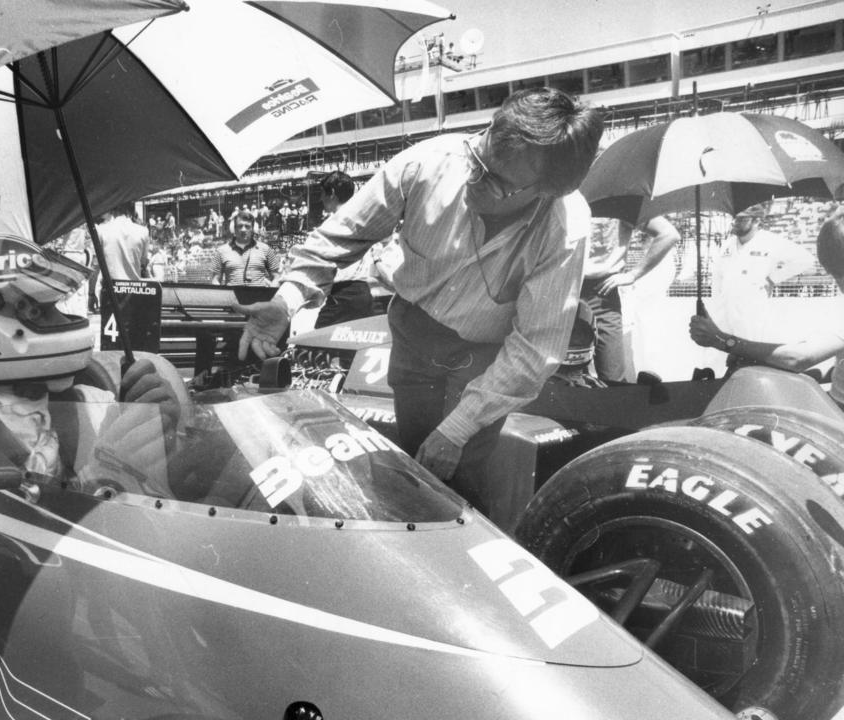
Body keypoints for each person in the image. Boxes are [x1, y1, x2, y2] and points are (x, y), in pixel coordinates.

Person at [236, 87, 604, 508]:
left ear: (545, 192)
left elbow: (535, 349)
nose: (473, 178)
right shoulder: (425, 163)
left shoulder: (564, 226)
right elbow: (340, 237)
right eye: (479, 159)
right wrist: (286, 300)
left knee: (457, 477)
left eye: (497, 181)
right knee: (414, 467)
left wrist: (457, 429)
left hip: (484, 358)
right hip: (412, 334)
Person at [0, 234, 181, 487]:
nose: (61, 321)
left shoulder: (93, 403)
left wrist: (163, 434)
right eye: (39, 312)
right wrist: (103, 472)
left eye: (54, 307)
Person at [690, 208, 844, 400]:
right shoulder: (728, 245)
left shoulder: (771, 241)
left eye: (839, 275)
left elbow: (798, 358)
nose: (839, 285)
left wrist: (720, 340)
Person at [581, 215, 680, 382]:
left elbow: (669, 234)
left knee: (612, 375)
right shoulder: (566, 199)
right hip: (563, 288)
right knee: (558, 371)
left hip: (601, 293)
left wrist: (633, 274)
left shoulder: (624, 201)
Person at [709, 202, 815, 352]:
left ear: (757, 221)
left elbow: (805, 259)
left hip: (751, 309)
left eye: (742, 219)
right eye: (736, 219)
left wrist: (773, 278)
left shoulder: (770, 241)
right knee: (719, 354)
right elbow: (717, 277)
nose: (736, 223)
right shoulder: (727, 245)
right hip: (724, 308)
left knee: (749, 351)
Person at [313, 171, 375, 328]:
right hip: (363, 293)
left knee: (315, 344)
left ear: (332, 193)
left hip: (343, 294)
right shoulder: (362, 219)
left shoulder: (333, 224)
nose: (321, 198)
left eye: (322, 193)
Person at [211, 209, 279, 286]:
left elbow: (276, 277)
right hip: (232, 298)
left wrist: (271, 290)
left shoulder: (265, 249)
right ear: (235, 229)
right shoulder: (221, 251)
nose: (243, 229)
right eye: (240, 226)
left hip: (260, 297)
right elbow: (215, 280)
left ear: (252, 229)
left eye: (247, 226)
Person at [95, 202, 149, 281]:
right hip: (134, 288)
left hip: (110, 288)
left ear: (112, 210)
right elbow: (143, 262)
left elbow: (97, 263)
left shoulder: (102, 230)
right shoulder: (143, 231)